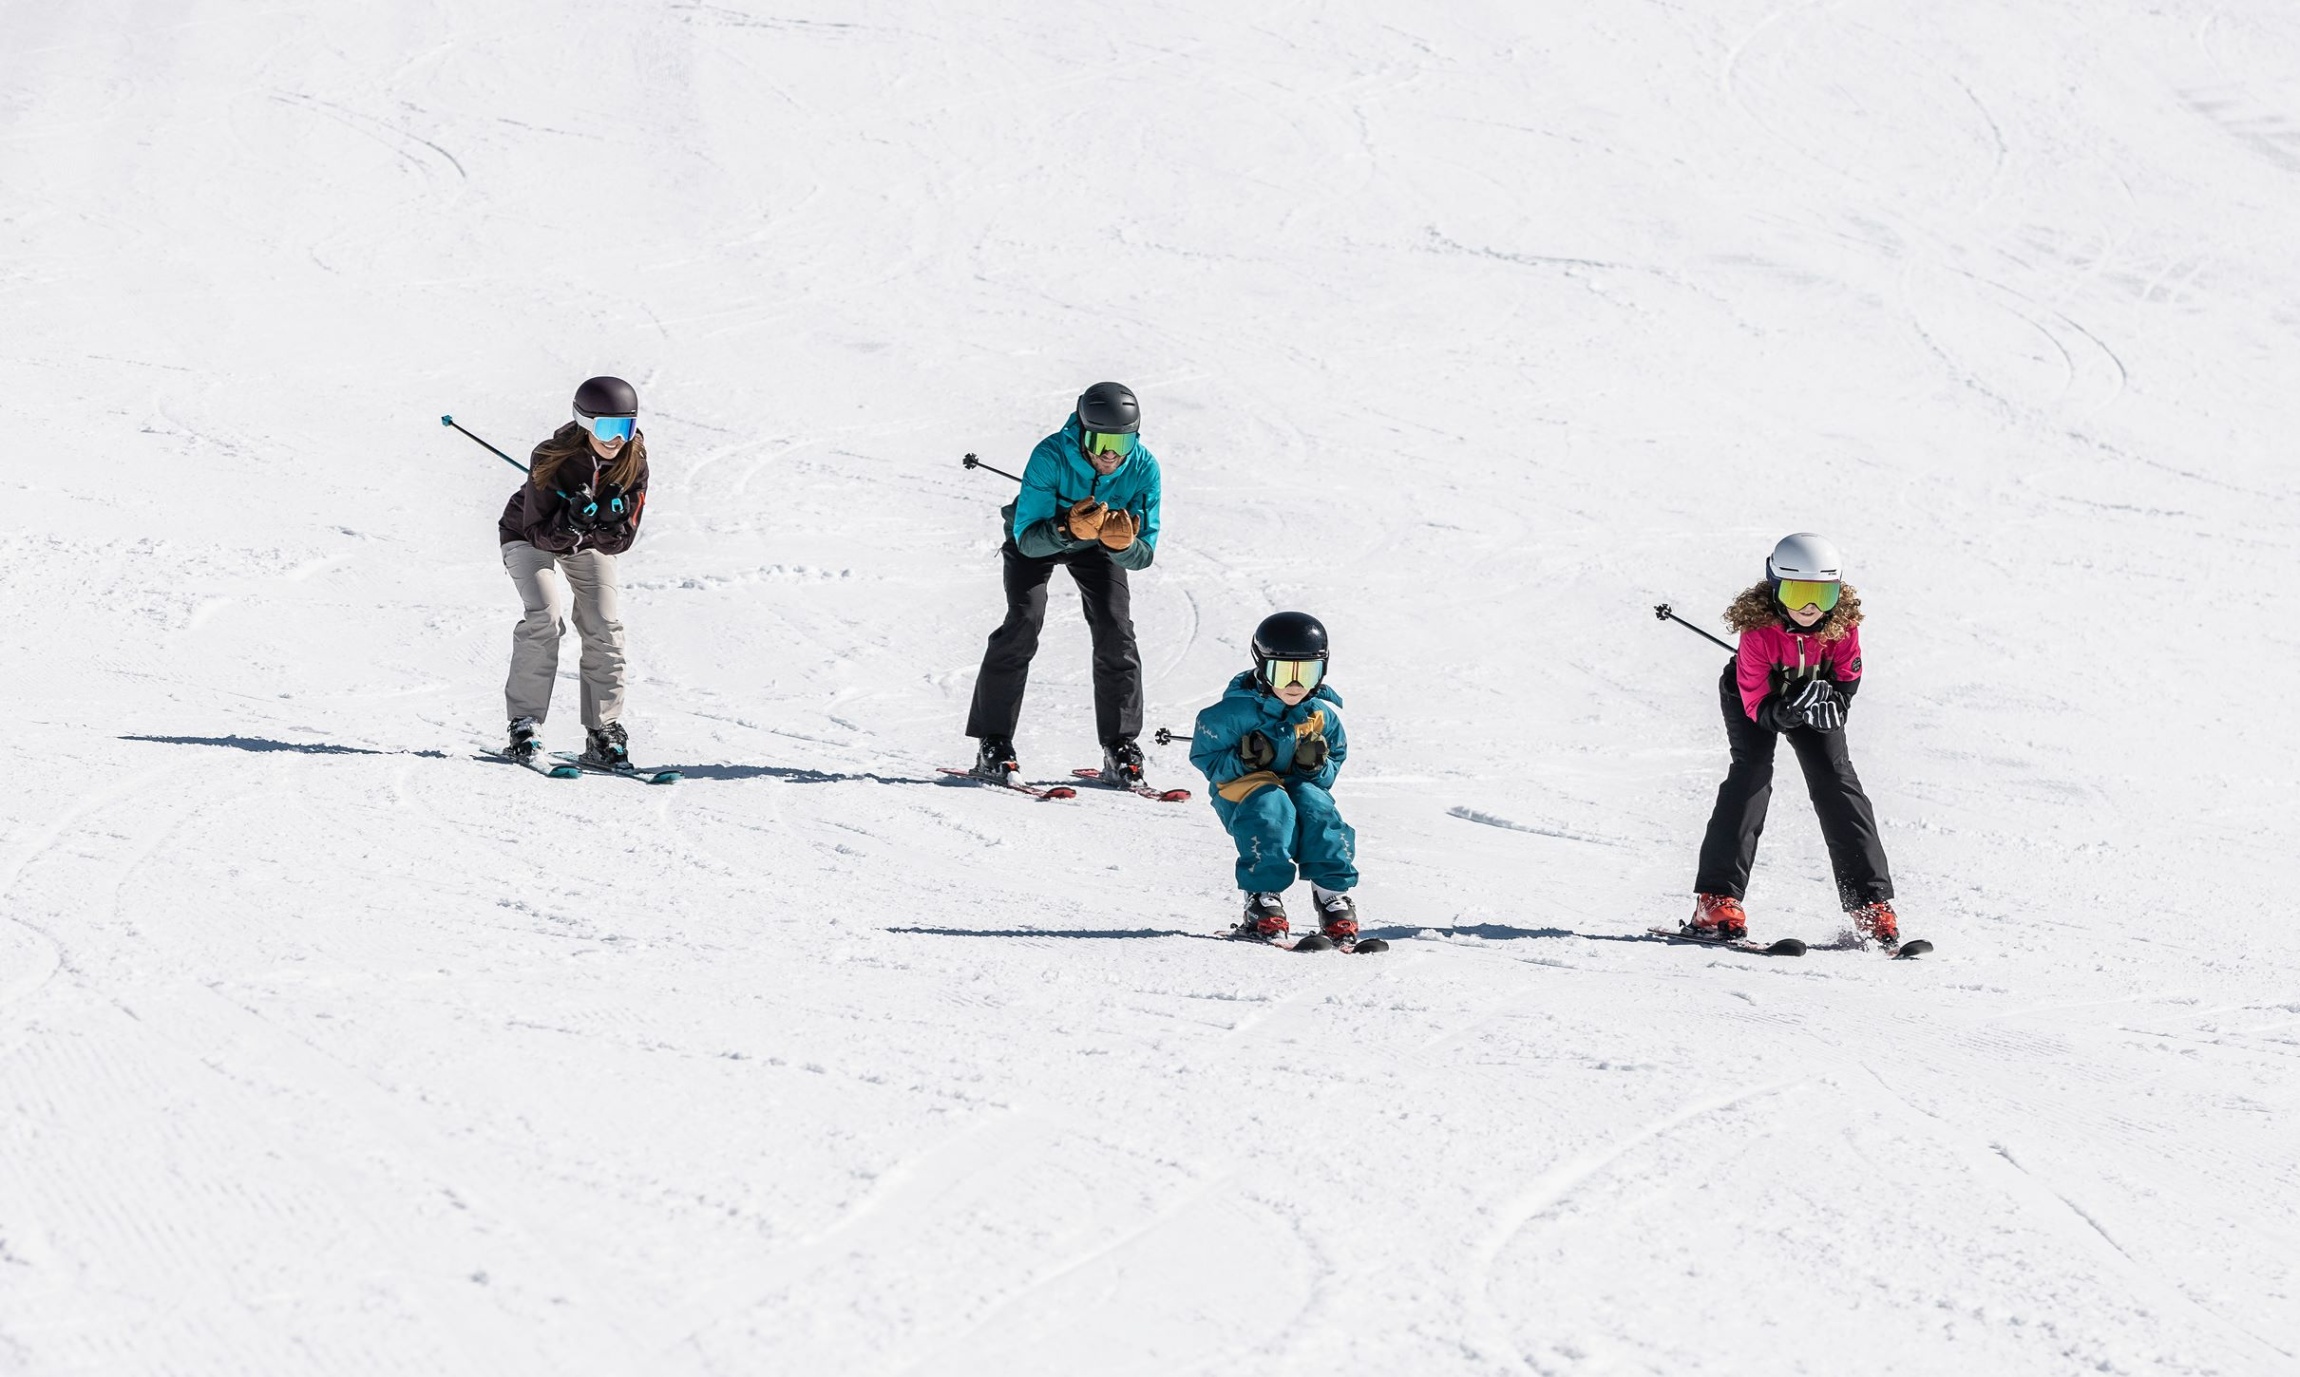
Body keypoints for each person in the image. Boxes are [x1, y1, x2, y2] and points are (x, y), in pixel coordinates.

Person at [1691, 532, 1900, 945]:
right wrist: (1784, 711)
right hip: (1756, 700)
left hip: (1815, 697)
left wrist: (1835, 704)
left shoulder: (1843, 626)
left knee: (1837, 781)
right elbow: (1755, 704)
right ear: (1774, 587)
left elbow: (1847, 677)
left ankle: (1870, 904)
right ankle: (1715, 899)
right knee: (1751, 775)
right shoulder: (1758, 632)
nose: (1809, 607)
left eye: (1822, 595)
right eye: (1797, 592)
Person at [966, 381, 1163, 786]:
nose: (1110, 453)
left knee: (1116, 627)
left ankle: (1119, 746)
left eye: (1121, 443)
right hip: (1039, 536)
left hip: (1099, 548)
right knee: (1024, 618)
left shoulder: (1144, 469)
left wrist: (1123, 545)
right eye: (1100, 439)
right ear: (1081, 430)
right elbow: (1028, 541)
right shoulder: (1050, 455)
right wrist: (1066, 526)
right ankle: (994, 742)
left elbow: (1143, 556)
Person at [497, 376, 650, 769]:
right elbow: (535, 531)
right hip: (528, 537)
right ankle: (525, 725)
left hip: (587, 544)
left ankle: (604, 731)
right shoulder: (551, 456)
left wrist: (603, 524)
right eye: (606, 427)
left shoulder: (634, 460)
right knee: (544, 616)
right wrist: (570, 520)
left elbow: (623, 539)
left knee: (604, 622)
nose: (616, 439)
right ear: (584, 422)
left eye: (626, 427)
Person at [1188, 612, 1359, 943]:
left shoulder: (1321, 717)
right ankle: (1262, 899)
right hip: (1244, 789)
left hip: (1296, 786)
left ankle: (1331, 897)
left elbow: (1334, 763)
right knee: (1271, 808)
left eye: (1306, 673)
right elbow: (1205, 757)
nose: (1294, 685)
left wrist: (1316, 767)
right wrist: (1242, 759)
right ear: (1262, 666)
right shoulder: (1230, 715)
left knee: (1318, 808)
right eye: (1282, 673)